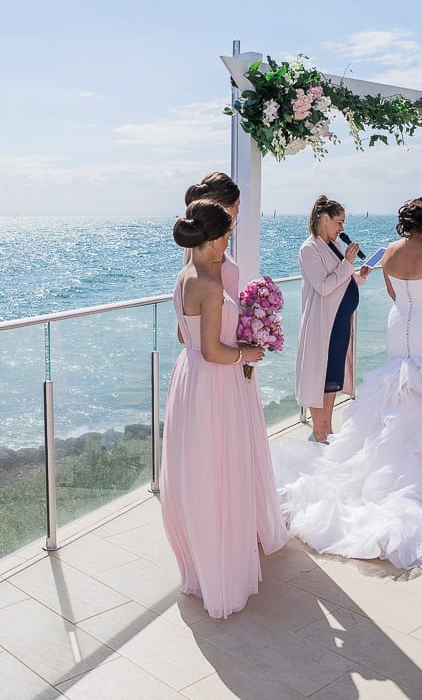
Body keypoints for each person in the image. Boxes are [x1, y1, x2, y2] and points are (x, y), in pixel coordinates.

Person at [274, 199, 422, 570]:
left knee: (398, 396)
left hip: (397, 325)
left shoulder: (390, 254)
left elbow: (392, 294)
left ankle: (385, 469)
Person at [161, 199, 288, 619]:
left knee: (199, 472)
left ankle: (203, 565)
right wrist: (247, 353)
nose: (229, 241)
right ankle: (222, 572)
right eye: (228, 235)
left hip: (189, 380)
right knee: (220, 471)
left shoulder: (183, 277)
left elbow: (187, 341)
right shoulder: (211, 285)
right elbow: (216, 351)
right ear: (213, 239)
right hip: (215, 384)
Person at [295, 196, 372, 443]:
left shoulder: (335, 245)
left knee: (332, 377)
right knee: (320, 375)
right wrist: (348, 264)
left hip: (339, 322)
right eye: (339, 222)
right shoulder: (309, 249)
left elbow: (341, 279)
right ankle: (319, 430)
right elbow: (324, 286)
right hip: (323, 323)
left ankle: (326, 426)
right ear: (324, 219)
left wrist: (358, 274)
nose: (342, 228)